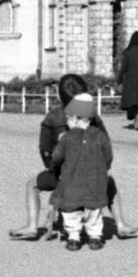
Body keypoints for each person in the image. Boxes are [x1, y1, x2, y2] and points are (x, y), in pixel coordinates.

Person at [10, 74, 138, 241]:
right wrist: (102, 170)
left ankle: (32, 226)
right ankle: (121, 225)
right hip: (93, 176)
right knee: (110, 183)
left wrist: (55, 170)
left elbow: (45, 150)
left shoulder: (52, 117)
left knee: (32, 185)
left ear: (59, 96)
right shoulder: (92, 117)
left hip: (63, 176)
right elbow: (105, 144)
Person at [50, 94, 113, 251]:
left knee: (71, 210)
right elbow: (108, 157)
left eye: (69, 119)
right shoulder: (101, 137)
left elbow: (56, 158)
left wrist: (56, 148)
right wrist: (102, 170)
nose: (67, 122)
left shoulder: (66, 138)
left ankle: (74, 237)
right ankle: (95, 236)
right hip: (95, 181)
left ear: (76, 119)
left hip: (72, 181)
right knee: (94, 210)